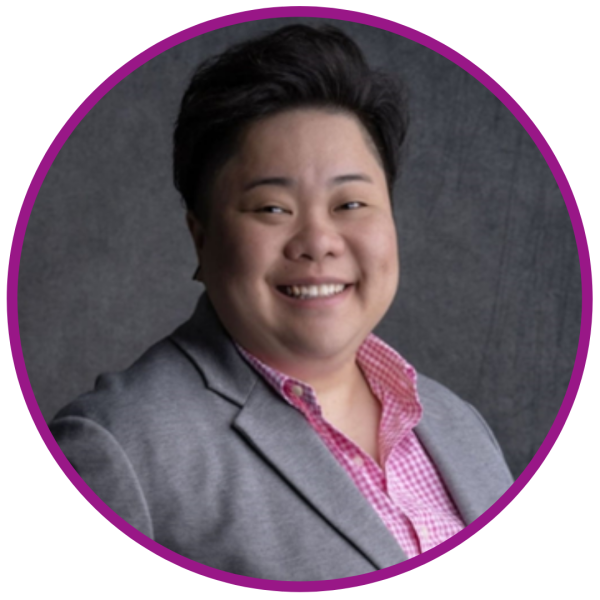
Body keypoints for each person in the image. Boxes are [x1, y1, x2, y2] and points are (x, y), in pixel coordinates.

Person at [50, 25, 513, 581]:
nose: (318, 241)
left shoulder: (456, 423)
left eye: (351, 203)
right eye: (272, 208)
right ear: (201, 238)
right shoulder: (116, 450)